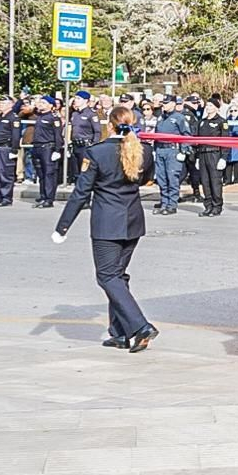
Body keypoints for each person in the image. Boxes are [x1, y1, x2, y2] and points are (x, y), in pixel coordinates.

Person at [52, 105, 160, 353]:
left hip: (107, 225)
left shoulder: (97, 152)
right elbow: (145, 179)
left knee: (107, 276)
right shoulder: (144, 150)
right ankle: (120, 333)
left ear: (109, 125)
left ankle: (141, 326)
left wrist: (62, 227)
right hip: (132, 221)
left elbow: (81, 193)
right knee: (118, 276)